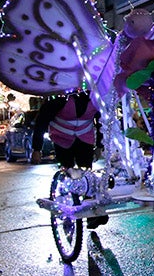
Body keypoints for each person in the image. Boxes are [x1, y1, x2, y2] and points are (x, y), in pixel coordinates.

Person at [31, 90, 108, 229]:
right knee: (68, 173)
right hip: (62, 140)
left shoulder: (95, 100)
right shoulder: (57, 101)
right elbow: (41, 123)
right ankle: (69, 203)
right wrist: (37, 149)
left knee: (87, 176)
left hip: (85, 139)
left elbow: (101, 123)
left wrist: (99, 146)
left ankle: (94, 213)